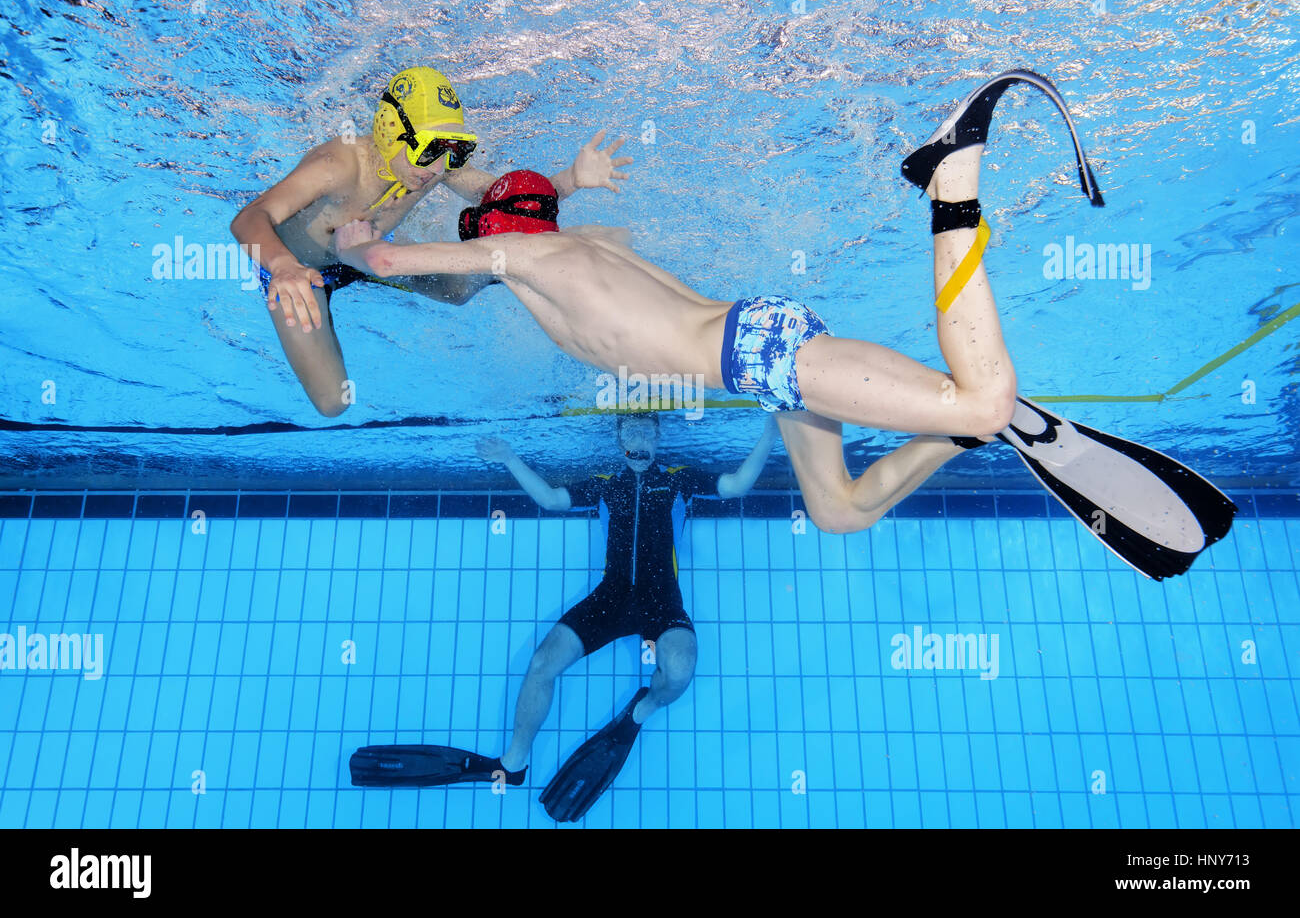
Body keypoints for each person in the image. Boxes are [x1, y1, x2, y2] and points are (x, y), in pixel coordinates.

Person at [334, 70, 1236, 576]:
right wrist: (555, 182)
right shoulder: (570, 245)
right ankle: (974, 432)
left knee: (979, 392)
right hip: (761, 351)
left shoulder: (521, 257)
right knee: (838, 512)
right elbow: (505, 198)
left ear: (495, 233)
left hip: (765, 355)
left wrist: (351, 232)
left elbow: (394, 256)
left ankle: (951, 178)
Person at [349, 411, 780, 821]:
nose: (638, 440)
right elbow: (553, 500)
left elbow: (736, 485)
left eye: (646, 432)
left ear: (659, 438)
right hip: (609, 599)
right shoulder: (605, 485)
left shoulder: (679, 481)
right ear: (618, 442)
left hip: (660, 601)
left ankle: (641, 709)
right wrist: (509, 458)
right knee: (541, 665)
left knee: (681, 671)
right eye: (630, 433)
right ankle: (513, 761)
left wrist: (769, 435)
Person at [230, 65, 631, 415]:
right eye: (430, 151)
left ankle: (511, 265)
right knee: (333, 403)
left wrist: (570, 181)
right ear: (391, 132)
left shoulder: (434, 164)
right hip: (299, 272)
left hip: (363, 248)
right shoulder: (335, 167)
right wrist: (283, 268)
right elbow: (250, 217)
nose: (439, 168)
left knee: (458, 290)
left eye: (454, 153)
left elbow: (510, 200)